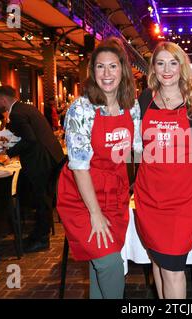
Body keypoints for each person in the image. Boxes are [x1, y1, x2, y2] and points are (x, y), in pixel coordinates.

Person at [56, 37, 142, 299]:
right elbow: (80, 168)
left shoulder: (132, 105)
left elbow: (137, 151)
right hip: (81, 196)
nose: (107, 74)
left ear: (123, 70)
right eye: (100, 67)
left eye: (113, 66)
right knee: (110, 263)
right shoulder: (80, 109)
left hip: (114, 194)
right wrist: (94, 213)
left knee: (99, 263)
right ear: (92, 72)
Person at [134, 42, 192, 299]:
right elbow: (136, 147)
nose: (167, 69)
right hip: (149, 197)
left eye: (173, 62)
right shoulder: (145, 98)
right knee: (157, 261)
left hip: (183, 200)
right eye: (160, 63)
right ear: (153, 69)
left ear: (182, 66)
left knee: (173, 268)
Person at [0, 85, 65, 252]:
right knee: (44, 199)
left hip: (40, 160)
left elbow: (30, 140)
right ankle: (39, 234)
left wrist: (8, 153)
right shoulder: (26, 108)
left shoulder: (16, 113)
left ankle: (41, 239)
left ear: (4, 99)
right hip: (52, 156)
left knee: (41, 199)